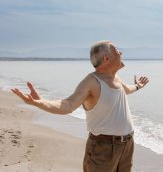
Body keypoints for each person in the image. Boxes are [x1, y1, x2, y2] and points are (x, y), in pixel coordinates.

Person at [11, 40, 149, 172]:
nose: (121, 53)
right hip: (104, 148)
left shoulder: (115, 78)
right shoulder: (92, 82)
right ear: (107, 58)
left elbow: (125, 90)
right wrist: (40, 102)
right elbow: (68, 104)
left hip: (127, 144)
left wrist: (138, 86)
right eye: (117, 51)